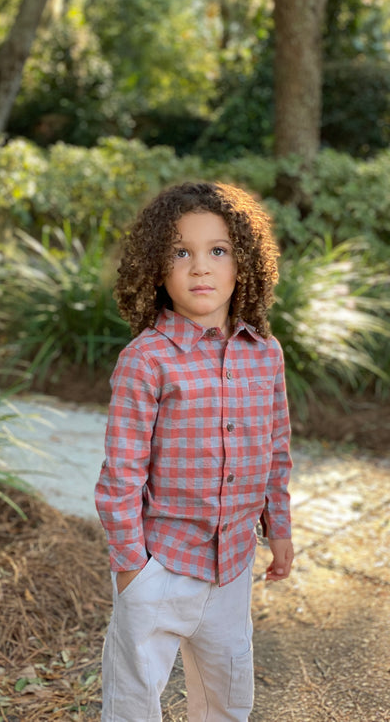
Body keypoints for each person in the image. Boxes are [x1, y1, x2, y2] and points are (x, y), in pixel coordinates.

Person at [95, 181, 293, 721]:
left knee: (228, 697)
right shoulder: (146, 360)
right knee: (134, 700)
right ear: (156, 269)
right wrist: (132, 567)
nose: (200, 267)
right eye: (181, 252)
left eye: (218, 250)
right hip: (160, 564)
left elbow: (276, 450)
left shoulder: (265, 354)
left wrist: (280, 533)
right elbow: (121, 475)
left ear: (244, 263)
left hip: (232, 566)